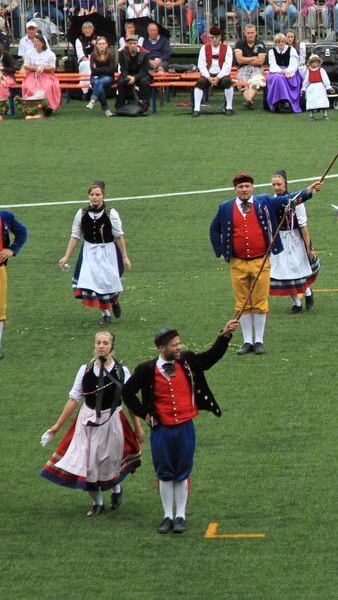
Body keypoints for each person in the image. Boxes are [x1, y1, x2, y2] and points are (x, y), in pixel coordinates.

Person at [122, 321, 239, 534]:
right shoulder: (145, 370)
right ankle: (167, 515)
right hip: (161, 430)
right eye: (174, 345)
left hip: (185, 427)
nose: (178, 347)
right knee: (165, 472)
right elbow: (127, 393)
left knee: (182, 472)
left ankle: (180, 516)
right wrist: (145, 414)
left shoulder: (188, 361)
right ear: (162, 348)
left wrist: (225, 335)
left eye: (178, 344)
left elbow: (210, 358)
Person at [209, 174, 324, 354]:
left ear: (252, 187)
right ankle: (247, 341)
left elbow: (288, 199)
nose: (244, 190)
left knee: (260, 302)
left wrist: (308, 190)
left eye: (247, 186)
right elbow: (214, 230)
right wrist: (220, 252)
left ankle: (259, 341)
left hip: (260, 262)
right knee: (242, 303)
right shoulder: (225, 208)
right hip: (237, 263)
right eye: (241, 187)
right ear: (235, 189)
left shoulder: (264, 201)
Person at [40, 332, 143, 516]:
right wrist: (57, 426)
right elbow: (74, 399)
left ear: (112, 346)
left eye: (105, 343)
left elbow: (129, 401)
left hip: (112, 423)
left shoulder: (122, 372)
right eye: (98, 343)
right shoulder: (84, 370)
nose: (101, 346)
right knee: (87, 464)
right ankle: (98, 503)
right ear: (94, 346)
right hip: (86, 423)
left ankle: (116, 489)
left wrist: (137, 426)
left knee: (109, 462)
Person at [57, 182, 132, 325]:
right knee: (95, 284)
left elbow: (118, 236)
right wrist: (66, 256)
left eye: (98, 195)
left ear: (103, 196)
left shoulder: (111, 213)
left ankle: (115, 301)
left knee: (111, 283)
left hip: (108, 251)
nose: (94, 197)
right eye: (92, 195)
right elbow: (75, 236)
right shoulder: (81, 213)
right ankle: (106, 314)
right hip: (89, 252)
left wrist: (125, 256)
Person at [268, 169, 320, 311]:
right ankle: (296, 303)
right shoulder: (272, 201)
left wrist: (309, 248)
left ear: (285, 184)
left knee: (298, 270)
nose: (276, 187)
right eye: (274, 185)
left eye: (279, 184)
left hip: (294, 238)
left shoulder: (297, 203)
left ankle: (308, 292)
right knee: (285, 274)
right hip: (279, 241)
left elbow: (303, 226)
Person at [0, 207, 27, 360]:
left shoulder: (5, 217)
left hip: (0, 270)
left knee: (0, 310)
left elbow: (22, 232)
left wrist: (12, 250)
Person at [193, 26, 235, 116]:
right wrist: (208, 77)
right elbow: (201, 65)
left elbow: (227, 66)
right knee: (200, 83)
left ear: (220, 37)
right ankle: (196, 109)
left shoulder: (228, 48)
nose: (214, 39)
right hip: (208, 74)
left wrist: (218, 77)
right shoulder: (204, 48)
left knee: (227, 82)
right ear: (209, 37)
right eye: (212, 37)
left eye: (216, 37)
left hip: (222, 74)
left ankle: (229, 107)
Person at [20, 33, 61, 118]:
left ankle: (48, 107)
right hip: (32, 75)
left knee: (48, 87)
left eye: (37, 41)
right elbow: (26, 66)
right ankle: (30, 107)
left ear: (43, 43)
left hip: (47, 75)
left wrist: (43, 68)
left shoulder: (50, 54)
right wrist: (36, 68)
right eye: (34, 41)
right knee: (27, 86)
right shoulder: (29, 53)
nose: (36, 43)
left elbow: (52, 68)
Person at [266, 32, 301, 113]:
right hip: (275, 71)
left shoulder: (291, 50)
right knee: (278, 77)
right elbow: (273, 64)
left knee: (281, 78)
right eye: (278, 42)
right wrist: (281, 71)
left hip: (290, 71)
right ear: (276, 43)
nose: (281, 43)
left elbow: (294, 63)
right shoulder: (272, 51)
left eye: (282, 41)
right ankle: (281, 101)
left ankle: (284, 101)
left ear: (285, 42)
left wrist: (287, 71)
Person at [116, 33, 152, 113]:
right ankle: (120, 106)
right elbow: (123, 69)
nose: (132, 45)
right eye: (130, 43)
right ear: (127, 44)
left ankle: (145, 106)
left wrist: (135, 78)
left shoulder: (145, 53)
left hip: (140, 75)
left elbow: (145, 70)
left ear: (137, 44)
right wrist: (128, 77)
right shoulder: (121, 53)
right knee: (121, 81)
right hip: (127, 74)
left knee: (144, 82)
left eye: (134, 43)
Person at [300, 54, 333, 121]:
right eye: (313, 62)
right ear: (310, 63)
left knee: (322, 100)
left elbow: (325, 79)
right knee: (311, 101)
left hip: (320, 87)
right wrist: (303, 88)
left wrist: (328, 87)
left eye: (316, 62)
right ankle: (311, 115)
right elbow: (306, 80)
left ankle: (325, 114)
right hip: (312, 88)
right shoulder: (308, 71)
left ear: (318, 63)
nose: (314, 64)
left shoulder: (321, 70)